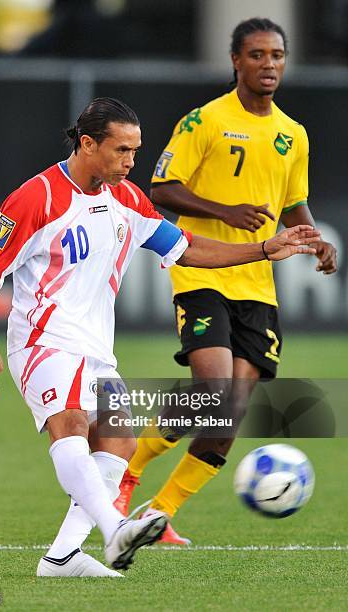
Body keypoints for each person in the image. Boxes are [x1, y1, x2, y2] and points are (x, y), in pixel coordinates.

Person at [0, 97, 320, 578]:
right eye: (122, 150)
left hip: (96, 349)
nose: (132, 162)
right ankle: (115, 530)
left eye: (136, 150)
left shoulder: (128, 199)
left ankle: (62, 558)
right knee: (69, 427)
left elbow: (187, 249)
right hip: (44, 341)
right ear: (87, 144)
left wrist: (263, 248)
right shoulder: (37, 198)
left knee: (119, 446)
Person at [114, 18, 337, 545]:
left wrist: (312, 236)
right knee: (211, 391)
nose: (269, 65)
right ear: (236, 60)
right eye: (257, 55)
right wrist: (224, 210)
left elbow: (290, 202)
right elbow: (162, 188)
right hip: (203, 271)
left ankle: (159, 516)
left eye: (277, 55)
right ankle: (124, 477)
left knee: (226, 418)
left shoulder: (293, 133)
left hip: (258, 287)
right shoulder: (205, 121)